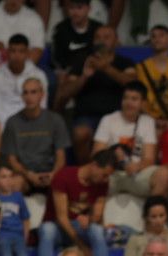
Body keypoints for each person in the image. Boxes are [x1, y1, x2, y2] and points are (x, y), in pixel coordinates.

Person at [56, 24, 135, 166]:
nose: (101, 41)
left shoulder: (125, 62)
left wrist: (106, 68)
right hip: (87, 116)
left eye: (107, 37)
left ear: (116, 41)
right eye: (98, 37)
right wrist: (84, 76)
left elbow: (133, 83)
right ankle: (88, 169)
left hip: (117, 116)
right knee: (80, 133)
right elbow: (65, 93)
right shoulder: (82, 61)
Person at [38, 151, 113, 256]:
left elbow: (97, 214)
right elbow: (62, 217)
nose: (105, 179)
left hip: (80, 227)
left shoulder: (103, 183)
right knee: (47, 230)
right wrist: (81, 246)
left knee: (97, 231)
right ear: (94, 165)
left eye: (108, 176)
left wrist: (89, 219)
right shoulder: (64, 176)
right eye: (104, 174)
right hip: (58, 227)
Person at [93, 83, 168, 204]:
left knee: (164, 175)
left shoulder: (148, 121)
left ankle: (152, 211)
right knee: (92, 171)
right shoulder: (108, 119)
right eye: (126, 98)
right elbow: (96, 154)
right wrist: (113, 158)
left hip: (136, 175)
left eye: (134, 99)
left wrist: (137, 166)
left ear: (143, 103)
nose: (129, 103)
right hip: (111, 174)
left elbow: (149, 159)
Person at [0, 77, 67, 196]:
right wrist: (29, 175)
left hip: (50, 172)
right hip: (24, 174)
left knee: (65, 182)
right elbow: (12, 160)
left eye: (33, 92)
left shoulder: (56, 120)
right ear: (22, 96)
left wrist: (53, 174)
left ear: (42, 94)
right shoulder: (12, 122)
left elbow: (60, 157)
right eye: (25, 93)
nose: (29, 97)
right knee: (14, 184)